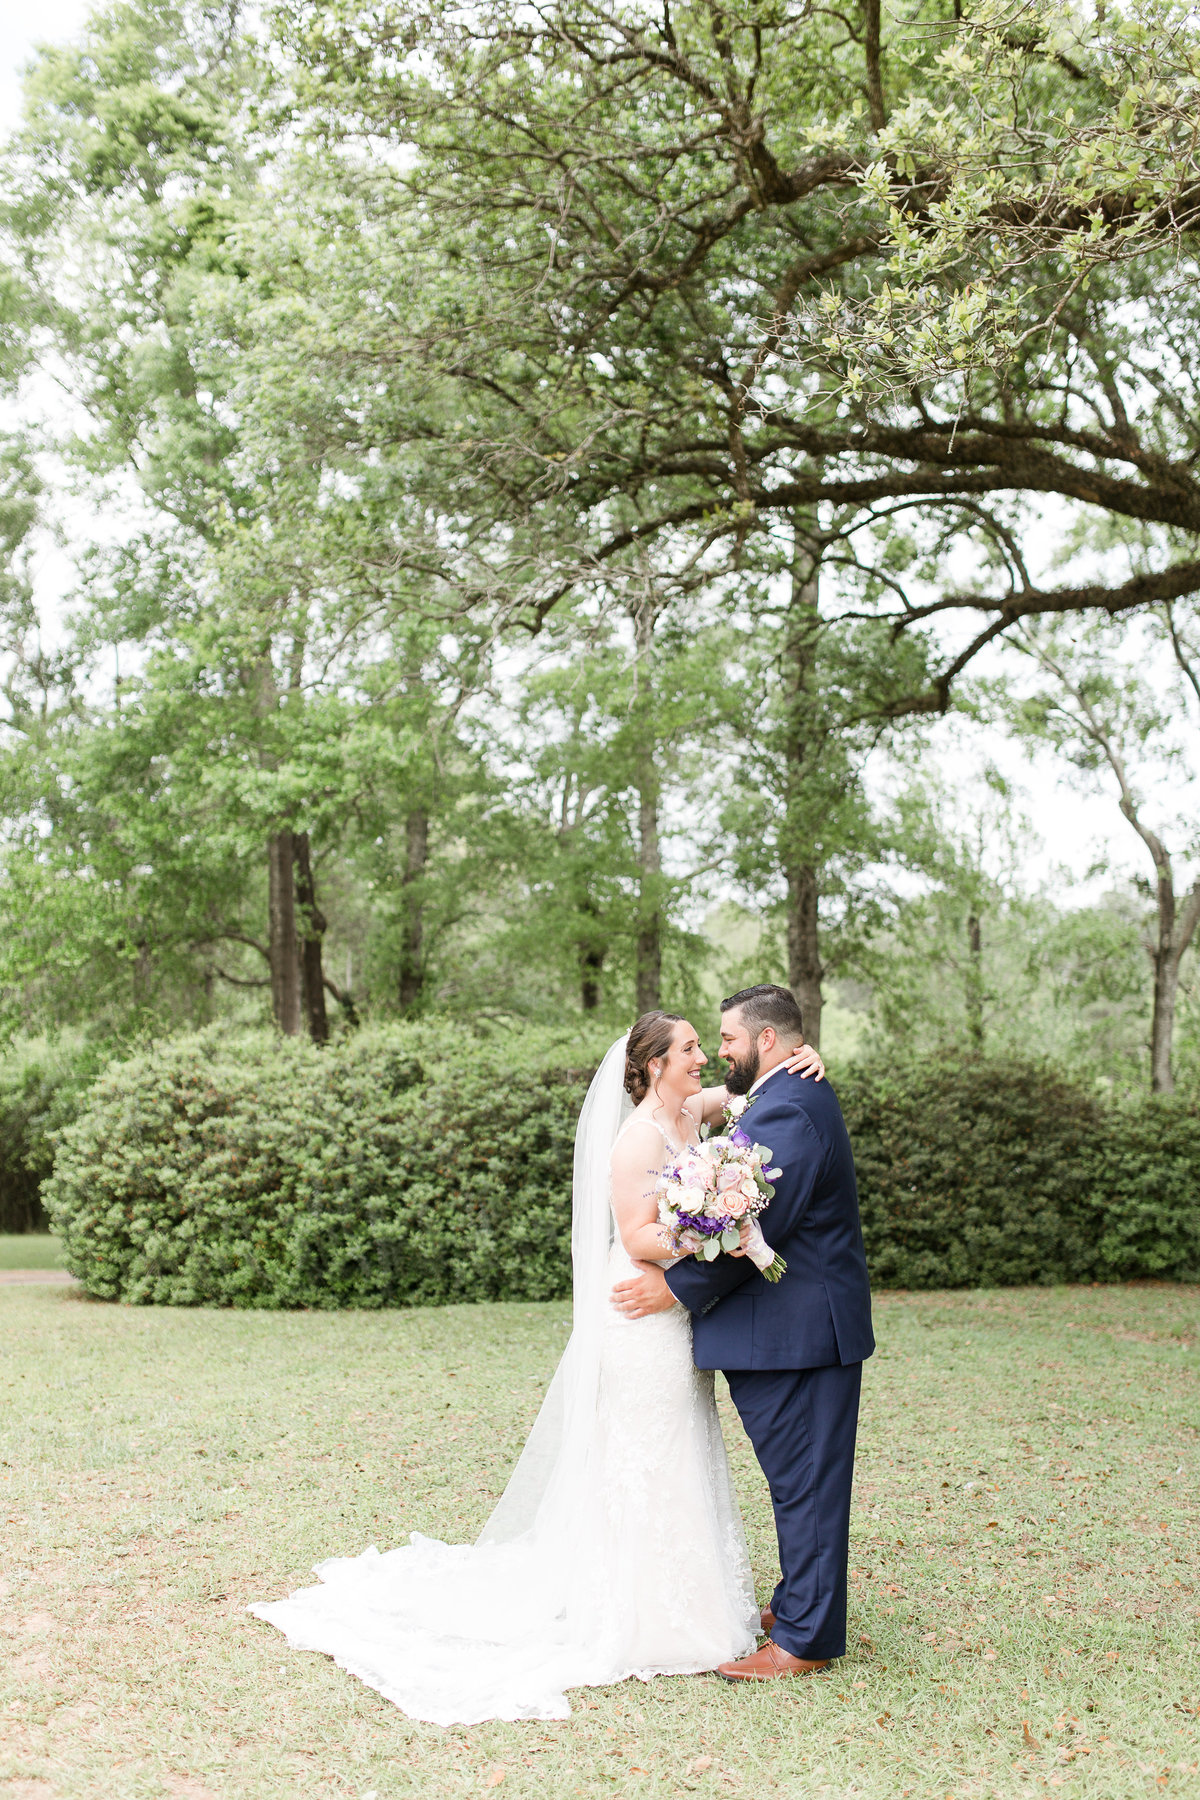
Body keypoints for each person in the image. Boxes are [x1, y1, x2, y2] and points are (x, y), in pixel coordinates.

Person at [249, 1012, 824, 1724]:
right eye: (689, 1050)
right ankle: (638, 1614)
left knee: (683, 1445)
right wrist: (712, 1229)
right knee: (642, 1451)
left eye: (705, 1048)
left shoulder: (689, 1112)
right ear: (652, 1066)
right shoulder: (638, 1137)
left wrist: (805, 1058)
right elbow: (640, 1235)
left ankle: (692, 1600)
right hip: (640, 1313)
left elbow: (750, 1098)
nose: (703, 1057)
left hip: (677, 1317)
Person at [612, 984, 874, 1683]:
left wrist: (673, 1287)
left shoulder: (791, 1104)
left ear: (764, 1041)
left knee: (806, 1485)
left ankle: (806, 1639)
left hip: (802, 1337)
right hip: (792, 1333)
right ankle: (799, 1604)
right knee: (800, 1481)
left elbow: (759, 1221)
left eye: (725, 1038)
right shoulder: (780, 1093)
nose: (718, 1052)